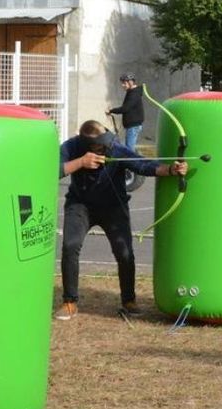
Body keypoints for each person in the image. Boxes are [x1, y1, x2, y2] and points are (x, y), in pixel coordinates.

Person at [55, 120, 186, 320]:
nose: (106, 148)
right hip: (80, 205)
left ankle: (129, 301)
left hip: (113, 208)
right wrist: (81, 162)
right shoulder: (71, 147)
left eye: (107, 143)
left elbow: (143, 165)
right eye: (100, 146)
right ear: (87, 145)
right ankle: (70, 302)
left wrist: (171, 170)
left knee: (124, 252)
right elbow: (53, 170)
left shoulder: (115, 147)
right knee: (70, 246)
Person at [106, 73, 145, 151]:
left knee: (129, 149)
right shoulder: (132, 92)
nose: (122, 85)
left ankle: (133, 159)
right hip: (132, 125)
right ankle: (135, 158)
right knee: (130, 147)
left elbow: (125, 108)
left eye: (124, 83)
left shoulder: (134, 93)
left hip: (133, 126)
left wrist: (111, 110)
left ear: (130, 82)